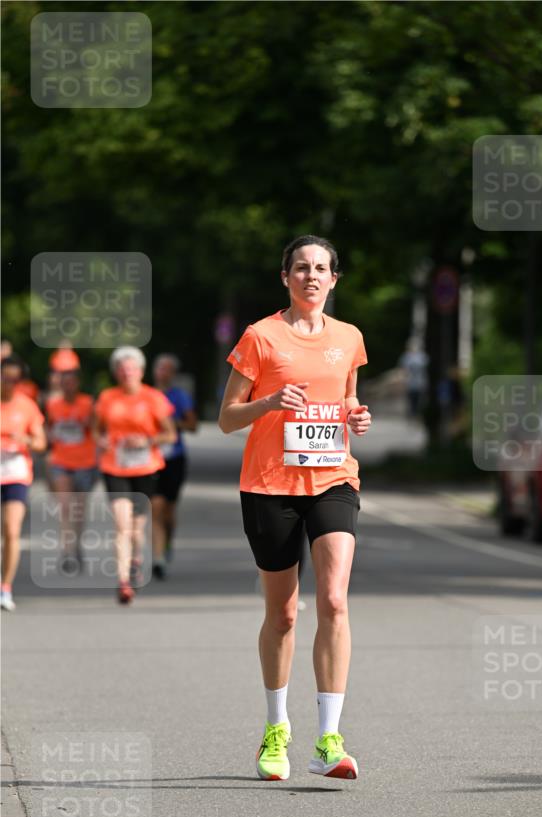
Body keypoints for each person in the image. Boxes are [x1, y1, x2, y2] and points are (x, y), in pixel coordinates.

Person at [219, 235, 371, 781]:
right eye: (302, 267)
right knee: (283, 614)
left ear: (334, 279)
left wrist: (356, 417)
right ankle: (276, 729)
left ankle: (330, 738)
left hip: (333, 480)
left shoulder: (349, 338)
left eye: (322, 268)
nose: (312, 275)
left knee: (333, 599)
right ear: (286, 277)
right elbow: (227, 418)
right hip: (270, 486)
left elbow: (348, 395)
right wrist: (268, 402)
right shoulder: (261, 337)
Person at [93, 347, 176, 604]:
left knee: (137, 529)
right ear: (116, 372)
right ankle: (123, 581)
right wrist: (102, 441)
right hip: (114, 466)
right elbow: (95, 431)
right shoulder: (107, 398)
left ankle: (136, 559)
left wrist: (147, 440)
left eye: (131, 368)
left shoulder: (153, 398)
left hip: (145, 467)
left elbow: (170, 434)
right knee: (121, 524)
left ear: (140, 371)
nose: (127, 373)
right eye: (122, 369)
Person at [1, 354, 47, 610]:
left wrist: (25, 440)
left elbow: (41, 443)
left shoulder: (26, 405)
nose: (9, 383)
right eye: (5, 377)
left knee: (11, 530)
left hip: (15, 473)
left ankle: (5, 588)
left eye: (14, 379)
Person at [45, 366, 98, 574]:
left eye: (71, 382)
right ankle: (67, 551)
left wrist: (88, 424)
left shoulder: (88, 403)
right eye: (64, 383)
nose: (68, 386)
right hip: (61, 461)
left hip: (85, 462)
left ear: (77, 383)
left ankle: (77, 546)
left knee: (79, 510)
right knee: (65, 507)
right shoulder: (52, 404)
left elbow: (98, 430)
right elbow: (46, 428)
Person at [151, 354, 197, 578]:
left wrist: (170, 423)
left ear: (173, 374)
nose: (163, 372)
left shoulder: (179, 396)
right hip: (150, 458)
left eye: (168, 369)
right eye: (160, 368)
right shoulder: (146, 395)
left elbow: (192, 425)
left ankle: (167, 541)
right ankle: (158, 557)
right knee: (156, 506)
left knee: (168, 510)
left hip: (174, 457)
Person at [399, 338, 428, 418]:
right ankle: (412, 415)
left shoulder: (422, 357)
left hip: (420, 383)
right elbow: (403, 371)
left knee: (420, 401)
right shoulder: (406, 357)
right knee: (411, 401)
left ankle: (418, 415)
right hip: (410, 383)